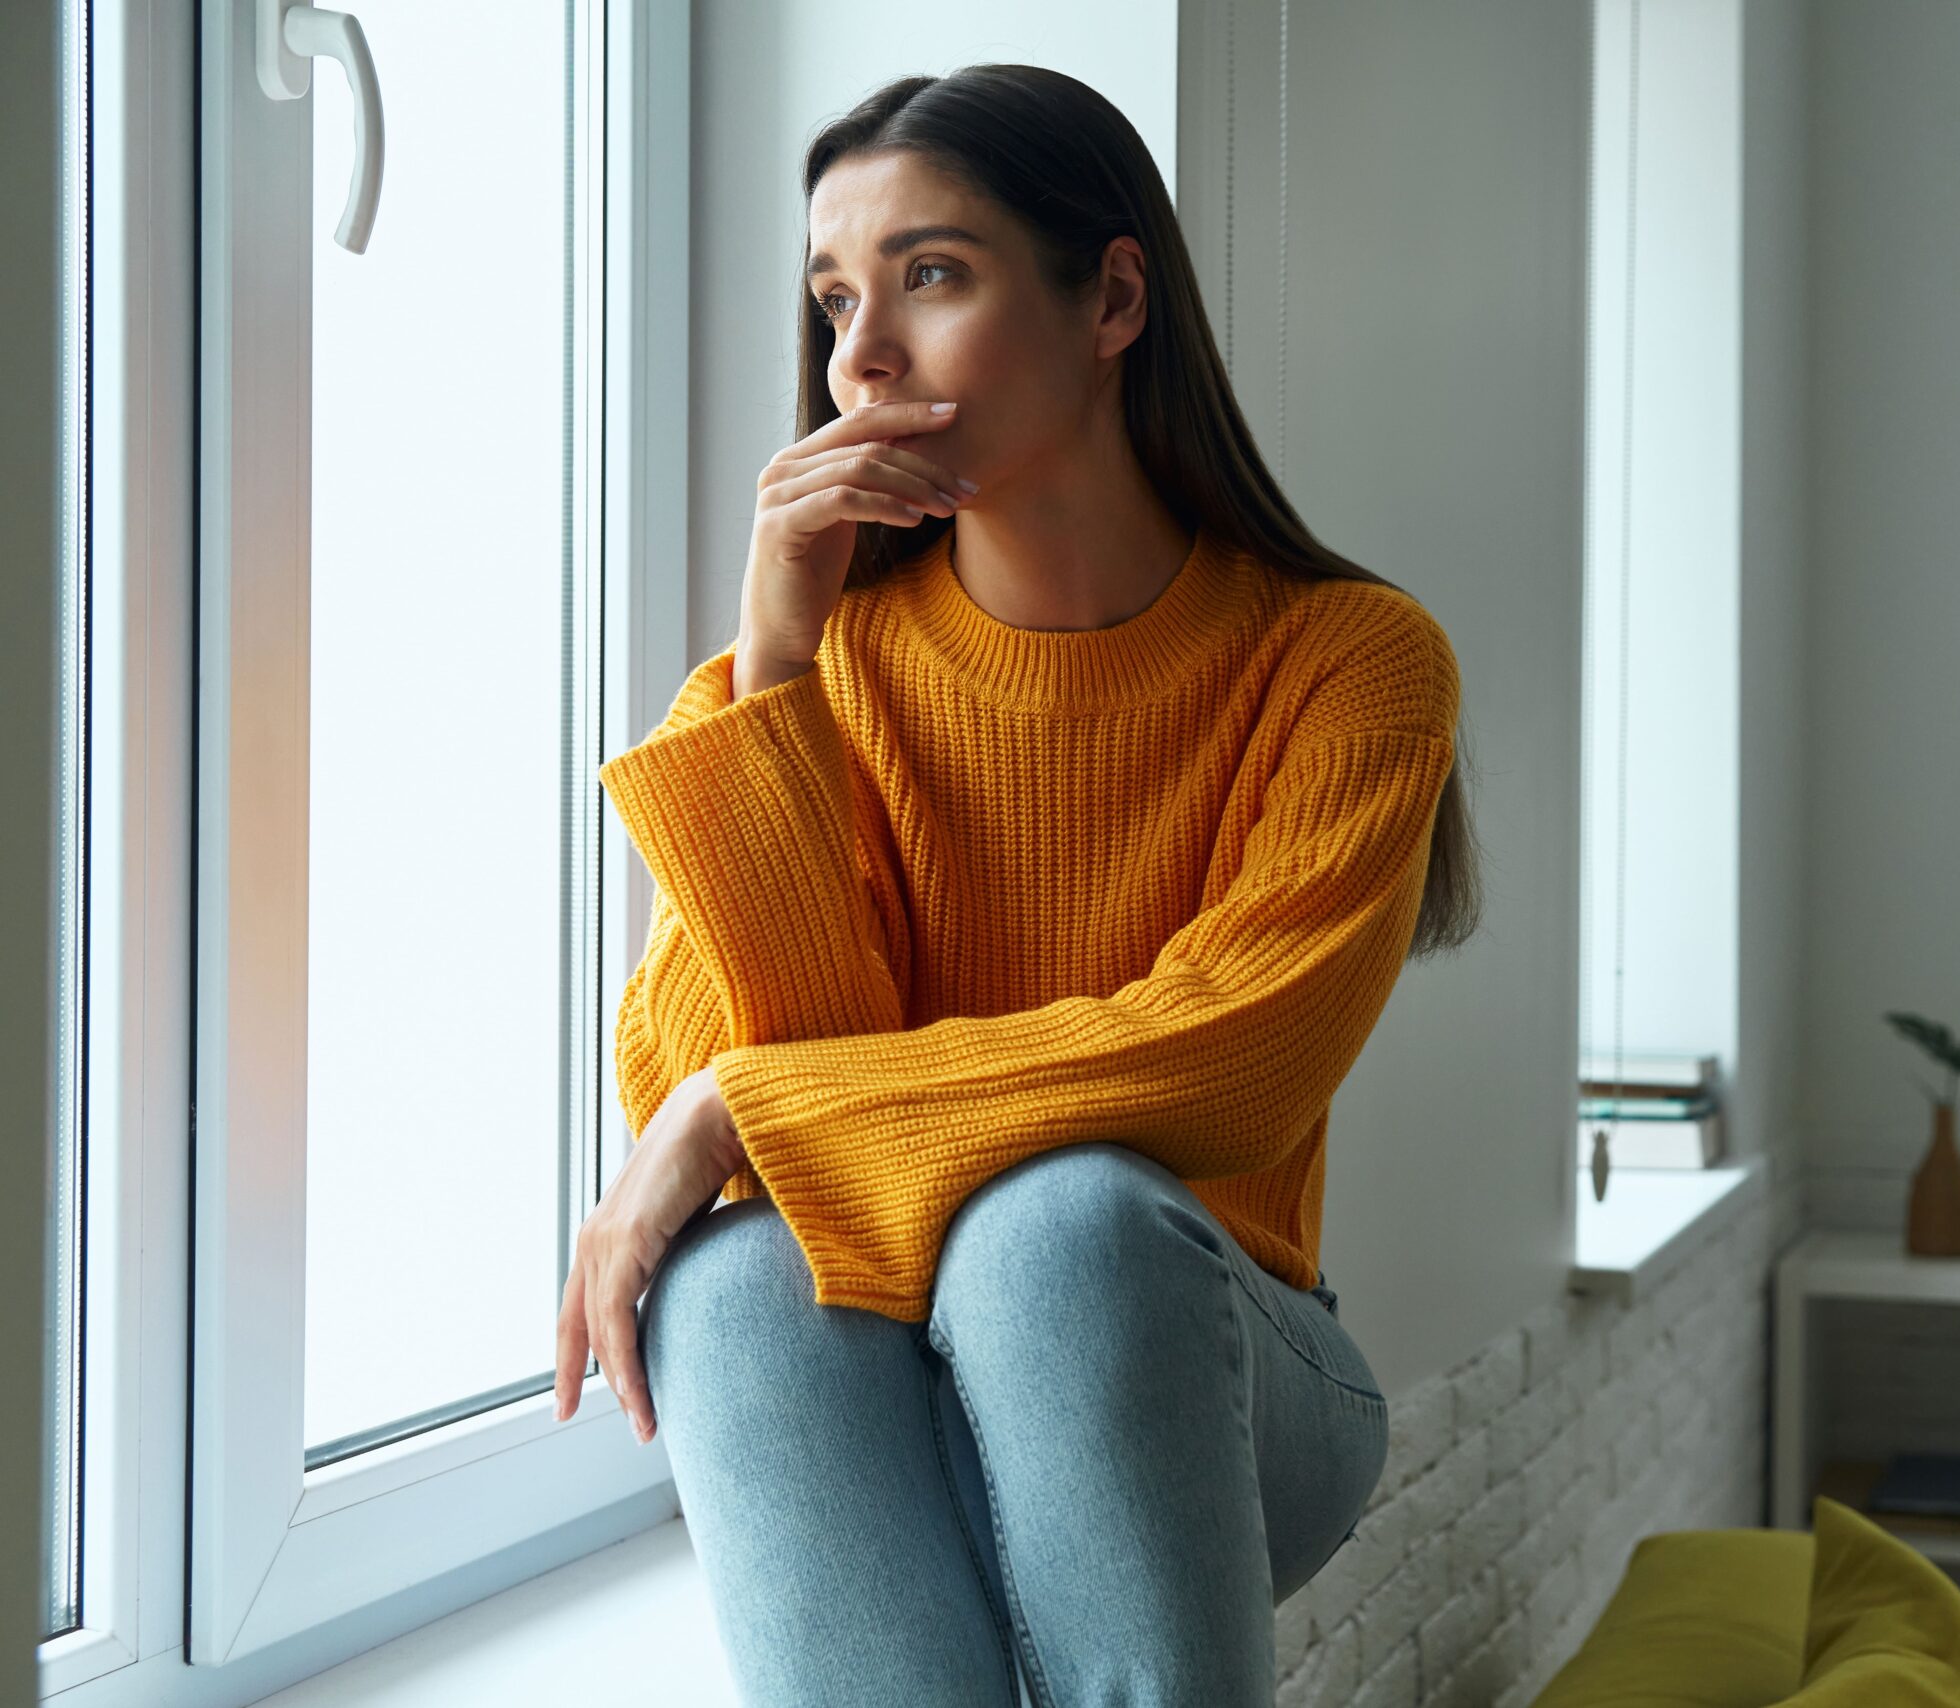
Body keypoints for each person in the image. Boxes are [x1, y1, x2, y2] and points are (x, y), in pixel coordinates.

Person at [551, 61, 1482, 1706]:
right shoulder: (817, 677)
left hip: (1218, 1367)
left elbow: (1225, 1066)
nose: (861, 357)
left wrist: (731, 1110)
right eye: (836, 295)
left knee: (1055, 1228)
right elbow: (758, 1098)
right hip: (882, 1391)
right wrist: (776, 658)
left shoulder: (1348, 662)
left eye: (933, 273)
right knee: (738, 1278)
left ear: (1114, 295)